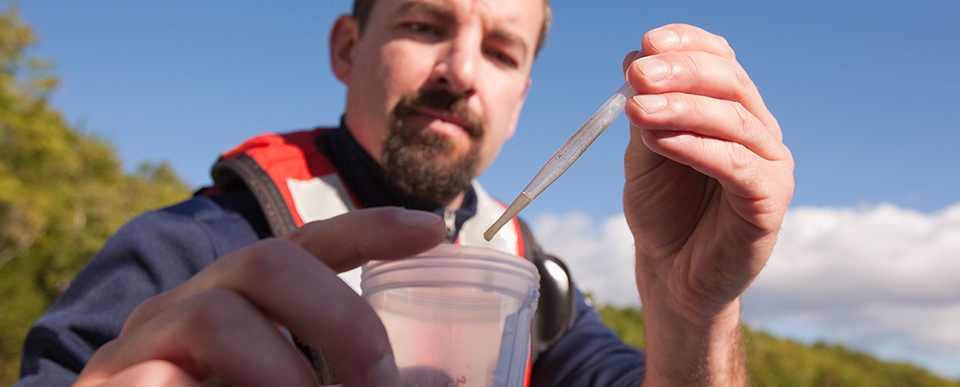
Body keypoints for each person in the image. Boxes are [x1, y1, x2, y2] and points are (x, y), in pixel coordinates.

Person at [16, 0, 794, 385]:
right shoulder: (189, 248)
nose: (460, 72)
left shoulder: (534, 287)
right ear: (348, 48)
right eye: (425, 25)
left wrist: (692, 310)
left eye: (501, 51)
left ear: (521, 101)